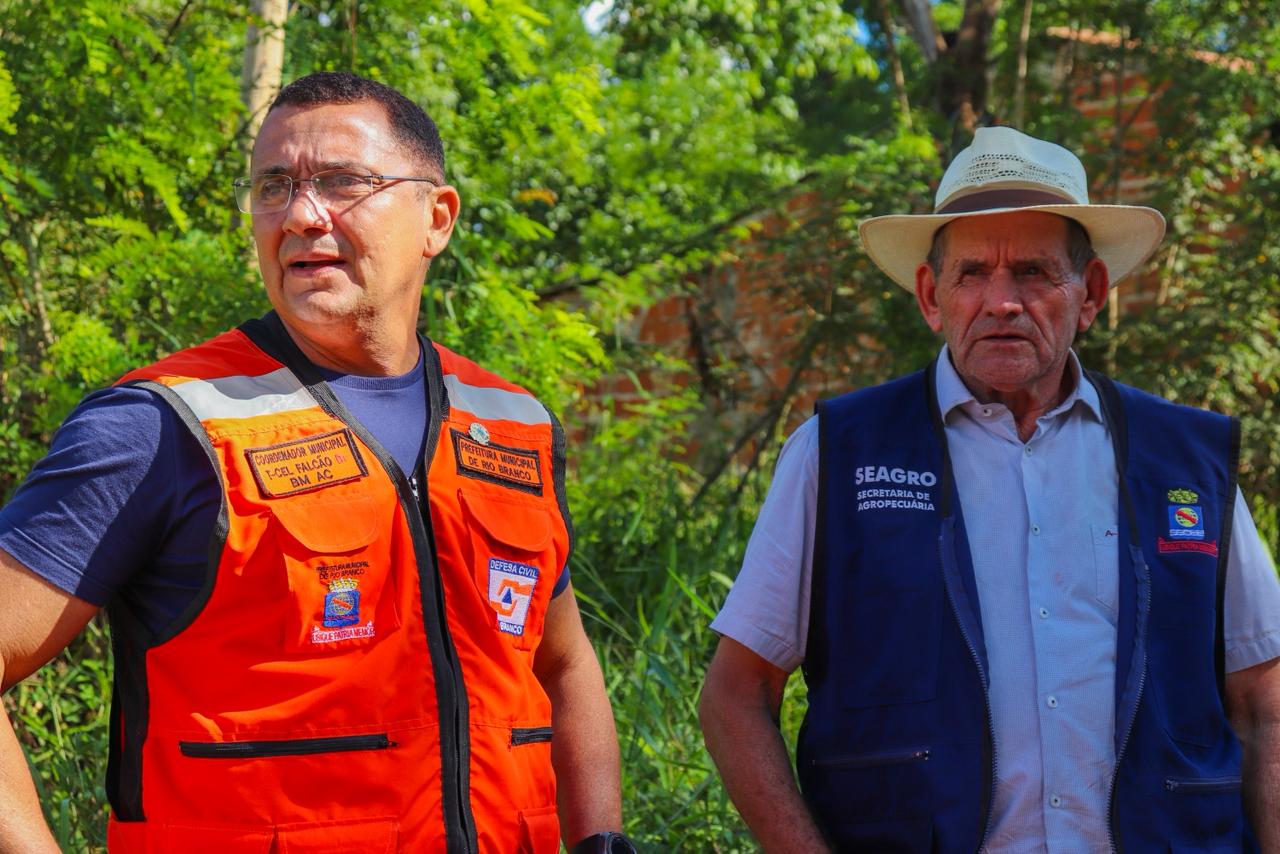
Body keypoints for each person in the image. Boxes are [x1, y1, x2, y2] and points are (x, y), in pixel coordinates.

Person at [0, 71, 637, 854]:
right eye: (274, 187)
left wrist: (601, 838)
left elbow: (563, 665)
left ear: (436, 218)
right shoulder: (162, 425)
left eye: (342, 181)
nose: (301, 215)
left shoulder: (512, 425)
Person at [699, 126, 1280, 852]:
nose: (1002, 302)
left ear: (1092, 294)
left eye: (1034, 273)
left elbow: (1264, 703)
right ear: (930, 296)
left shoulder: (1187, 461)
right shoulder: (839, 453)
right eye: (972, 273)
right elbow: (736, 695)